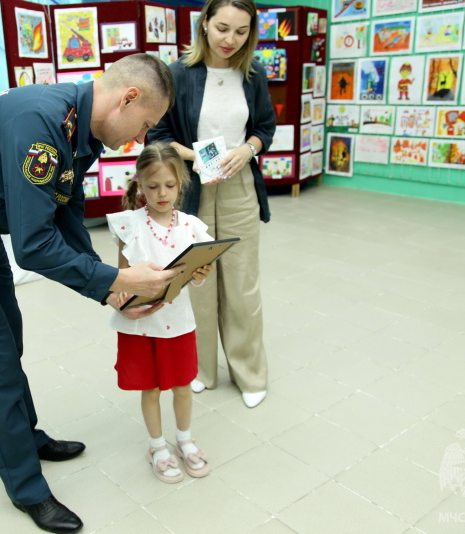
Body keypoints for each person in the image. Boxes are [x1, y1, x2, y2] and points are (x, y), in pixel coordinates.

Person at [0, 53, 180, 534]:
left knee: (10, 340)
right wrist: (119, 280)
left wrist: (108, 290)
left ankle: (27, 436)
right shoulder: (41, 121)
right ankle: (27, 488)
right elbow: (34, 247)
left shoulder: (79, 128)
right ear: (128, 97)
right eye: (145, 123)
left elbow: (66, 210)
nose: (142, 139)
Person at [148, 0, 276, 409]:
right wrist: (196, 158)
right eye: (222, 28)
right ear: (204, 24)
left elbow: (264, 126)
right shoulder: (179, 74)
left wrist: (248, 150)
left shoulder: (252, 75)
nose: (230, 40)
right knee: (197, 281)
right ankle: (201, 370)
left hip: (239, 189)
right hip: (193, 188)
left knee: (242, 283)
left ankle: (249, 372)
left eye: (241, 31)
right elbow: (159, 133)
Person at [106, 143, 213, 484]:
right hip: (143, 324)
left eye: (169, 185)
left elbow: (198, 273)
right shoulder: (130, 225)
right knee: (150, 388)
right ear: (140, 186)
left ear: (181, 183)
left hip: (179, 322)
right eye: (152, 186)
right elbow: (121, 277)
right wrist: (126, 300)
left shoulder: (192, 227)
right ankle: (157, 446)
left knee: (183, 384)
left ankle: (184, 439)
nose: (162, 193)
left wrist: (200, 274)